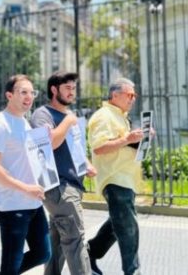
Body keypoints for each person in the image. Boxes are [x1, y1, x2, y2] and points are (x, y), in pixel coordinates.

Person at [0, 74, 52, 275]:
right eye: (23, 92)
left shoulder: (24, 122)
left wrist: (44, 138)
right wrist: (26, 188)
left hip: (33, 202)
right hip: (13, 205)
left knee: (43, 253)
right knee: (11, 264)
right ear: (9, 95)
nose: (29, 97)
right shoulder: (0, 125)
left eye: (32, 92)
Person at [30, 71, 97, 275]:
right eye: (67, 88)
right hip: (59, 186)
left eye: (73, 88)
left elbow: (74, 147)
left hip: (72, 184)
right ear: (54, 89)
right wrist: (68, 122)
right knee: (76, 241)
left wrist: (86, 164)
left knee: (58, 243)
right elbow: (48, 144)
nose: (71, 92)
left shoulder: (67, 115)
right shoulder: (43, 114)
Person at [86, 78, 145, 275]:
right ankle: (132, 271)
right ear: (115, 95)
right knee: (128, 227)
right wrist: (128, 138)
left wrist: (138, 139)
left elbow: (121, 144)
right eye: (129, 95)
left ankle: (89, 252)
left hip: (125, 178)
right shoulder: (104, 116)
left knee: (118, 222)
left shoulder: (120, 116)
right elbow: (99, 147)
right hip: (114, 178)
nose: (133, 99)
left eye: (134, 95)